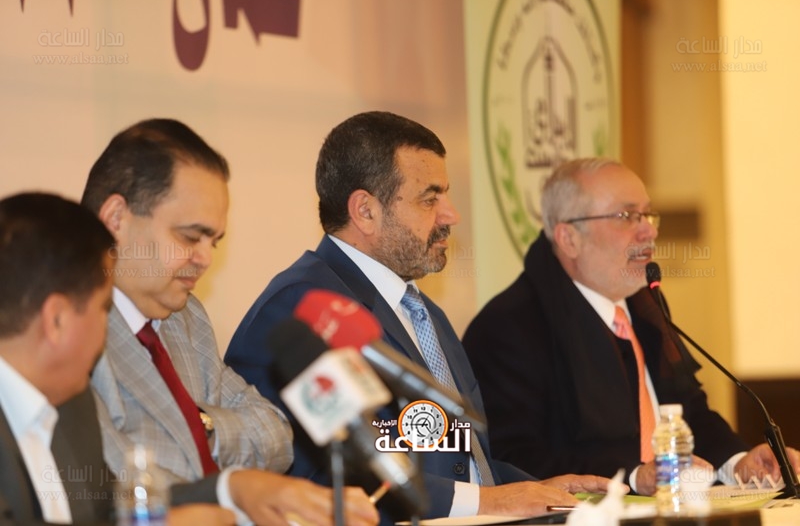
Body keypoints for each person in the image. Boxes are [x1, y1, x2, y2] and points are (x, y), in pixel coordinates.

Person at [225, 111, 612, 523]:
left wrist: (535, 488)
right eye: (430, 199)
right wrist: (489, 502)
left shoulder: (422, 311)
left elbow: (458, 460)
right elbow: (317, 481)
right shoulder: (305, 312)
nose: (450, 215)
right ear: (365, 211)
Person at [0, 192, 379, 526]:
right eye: (102, 309)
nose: (107, 331)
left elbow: (111, 511)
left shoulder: (70, 408)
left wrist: (236, 489)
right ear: (56, 320)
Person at [461, 157, 800, 495]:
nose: (649, 231)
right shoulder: (508, 327)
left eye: (648, 215)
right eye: (626, 217)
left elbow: (688, 411)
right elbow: (512, 458)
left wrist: (737, 462)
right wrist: (635, 477)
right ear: (569, 238)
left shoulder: (645, 305)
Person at [79, 118, 295, 486]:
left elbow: (276, 435)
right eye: (190, 237)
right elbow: (122, 485)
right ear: (116, 219)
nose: (206, 259)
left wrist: (202, 424)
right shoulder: (66, 327)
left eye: (214, 242)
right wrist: (227, 489)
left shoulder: (186, 317)